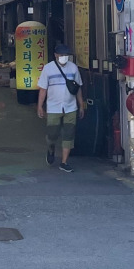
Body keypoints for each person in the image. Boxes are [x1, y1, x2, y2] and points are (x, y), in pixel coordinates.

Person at [36, 42, 86, 172]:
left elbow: (78, 88)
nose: (64, 57)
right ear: (56, 55)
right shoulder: (48, 69)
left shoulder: (73, 68)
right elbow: (43, 89)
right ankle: (51, 147)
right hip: (53, 107)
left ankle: (64, 162)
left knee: (69, 135)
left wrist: (81, 105)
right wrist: (40, 106)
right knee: (52, 134)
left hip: (71, 107)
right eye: (61, 54)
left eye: (66, 55)